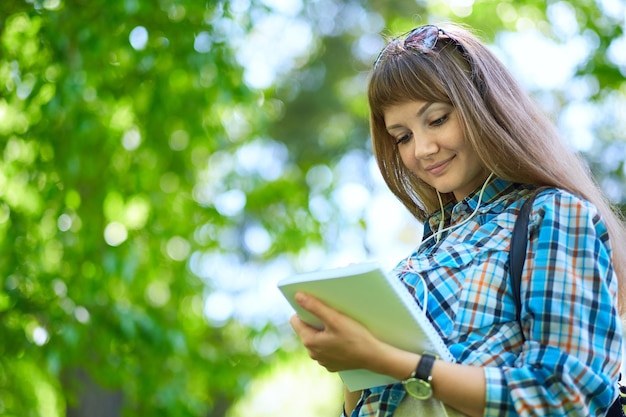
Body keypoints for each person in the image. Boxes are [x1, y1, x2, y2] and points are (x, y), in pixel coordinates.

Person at [289, 23, 626, 416]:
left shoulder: (550, 215)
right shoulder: (426, 251)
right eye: (402, 137)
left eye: (437, 120)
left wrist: (392, 361)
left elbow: (563, 396)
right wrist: (354, 364)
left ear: (482, 105)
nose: (423, 149)